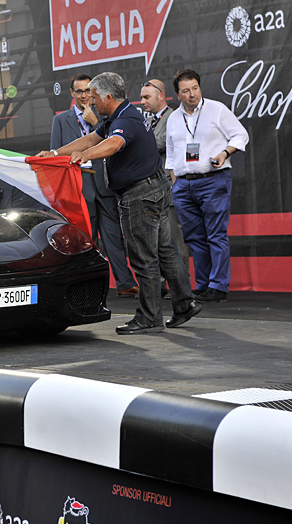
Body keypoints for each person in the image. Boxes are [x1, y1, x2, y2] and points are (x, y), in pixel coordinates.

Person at [41, 71, 201, 335]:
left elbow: (113, 144)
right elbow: (93, 137)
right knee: (165, 251)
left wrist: (85, 156)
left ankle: (149, 318)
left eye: (93, 98)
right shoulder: (119, 115)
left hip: (140, 194)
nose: (90, 102)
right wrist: (57, 153)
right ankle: (185, 304)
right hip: (154, 188)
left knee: (143, 257)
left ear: (108, 97)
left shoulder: (125, 119)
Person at [165, 69, 250, 303]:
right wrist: (176, 185)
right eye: (186, 91)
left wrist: (225, 153)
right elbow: (171, 156)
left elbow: (240, 135)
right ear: (177, 95)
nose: (192, 94)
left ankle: (219, 285)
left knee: (215, 234)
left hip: (212, 180)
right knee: (193, 238)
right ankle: (202, 285)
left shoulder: (217, 109)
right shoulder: (174, 118)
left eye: (195, 88)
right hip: (183, 184)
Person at [51, 73, 138, 298]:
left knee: (113, 238)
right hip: (79, 190)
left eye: (87, 91)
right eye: (79, 91)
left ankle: (125, 283)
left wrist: (95, 123)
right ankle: (84, 288)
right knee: (84, 242)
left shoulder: (104, 117)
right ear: (72, 94)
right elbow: (57, 158)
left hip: (105, 186)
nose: (84, 96)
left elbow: (112, 140)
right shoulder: (60, 121)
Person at [139, 78, 189, 294]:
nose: (142, 102)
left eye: (146, 97)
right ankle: (159, 286)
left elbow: (157, 144)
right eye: (141, 97)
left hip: (168, 189)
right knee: (155, 242)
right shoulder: (150, 121)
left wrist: (138, 141)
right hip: (152, 190)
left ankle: (181, 288)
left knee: (174, 242)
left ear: (161, 95)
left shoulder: (174, 118)